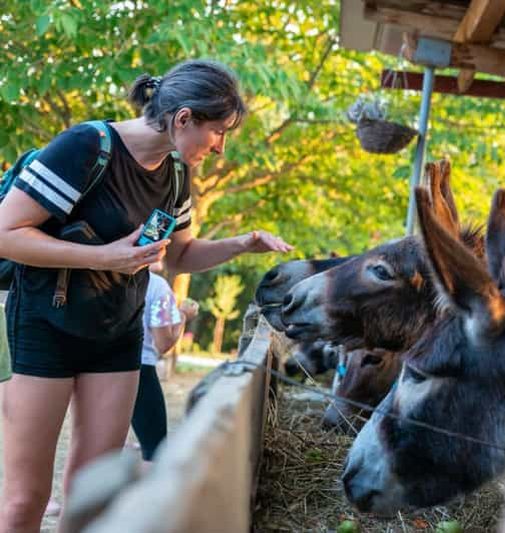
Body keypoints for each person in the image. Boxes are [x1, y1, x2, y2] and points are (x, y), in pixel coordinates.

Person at [0, 60, 293, 532]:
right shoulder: (86, 146)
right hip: (43, 328)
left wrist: (243, 243)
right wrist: (103, 258)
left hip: (117, 335)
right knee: (24, 502)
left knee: (94, 497)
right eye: (218, 132)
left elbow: (180, 254)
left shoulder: (176, 174)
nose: (220, 148)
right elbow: (6, 233)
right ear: (184, 118)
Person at [130, 264, 198, 463]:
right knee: (155, 450)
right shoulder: (157, 286)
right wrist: (183, 315)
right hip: (140, 369)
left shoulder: (104, 275)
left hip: (99, 369)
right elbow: (163, 344)